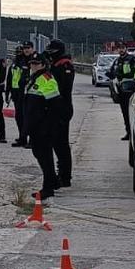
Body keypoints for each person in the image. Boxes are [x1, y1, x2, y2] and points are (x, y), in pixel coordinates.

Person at [23, 53, 63, 200]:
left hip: (44, 126)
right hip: (35, 125)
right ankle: (53, 181)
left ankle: (48, 188)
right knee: (38, 154)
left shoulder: (47, 79)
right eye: (32, 63)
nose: (33, 66)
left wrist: (48, 126)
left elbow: (55, 105)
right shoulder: (33, 78)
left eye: (37, 64)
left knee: (45, 157)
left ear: (43, 65)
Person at [45, 39, 75, 188]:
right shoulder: (56, 64)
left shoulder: (64, 65)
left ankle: (65, 176)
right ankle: (62, 173)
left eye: (52, 51)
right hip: (55, 108)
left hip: (62, 108)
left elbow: (62, 87)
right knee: (56, 143)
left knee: (61, 144)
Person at [6, 41, 34, 148]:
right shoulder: (18, 61)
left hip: (30, 93)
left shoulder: (35, 60)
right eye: (24, 48)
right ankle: (22, 138)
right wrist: (8, 92)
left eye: (28, 48)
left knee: (29, 117)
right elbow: (10, 77)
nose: (26, 50)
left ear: (32, 48)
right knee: (19, 117)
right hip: (18, 93)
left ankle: (32, 140)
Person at [110, 47, 135, 140]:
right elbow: (112, 72)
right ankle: (128, 132)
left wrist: (122, 75)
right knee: (125, 113)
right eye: (119, 48)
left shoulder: (131, 59)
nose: (121, 50)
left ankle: (133, 133)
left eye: (122, 48)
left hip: (129, 89)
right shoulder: (117, 60)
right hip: (120, 89)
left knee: (130, 113)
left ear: (126, 49)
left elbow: (134, 72)